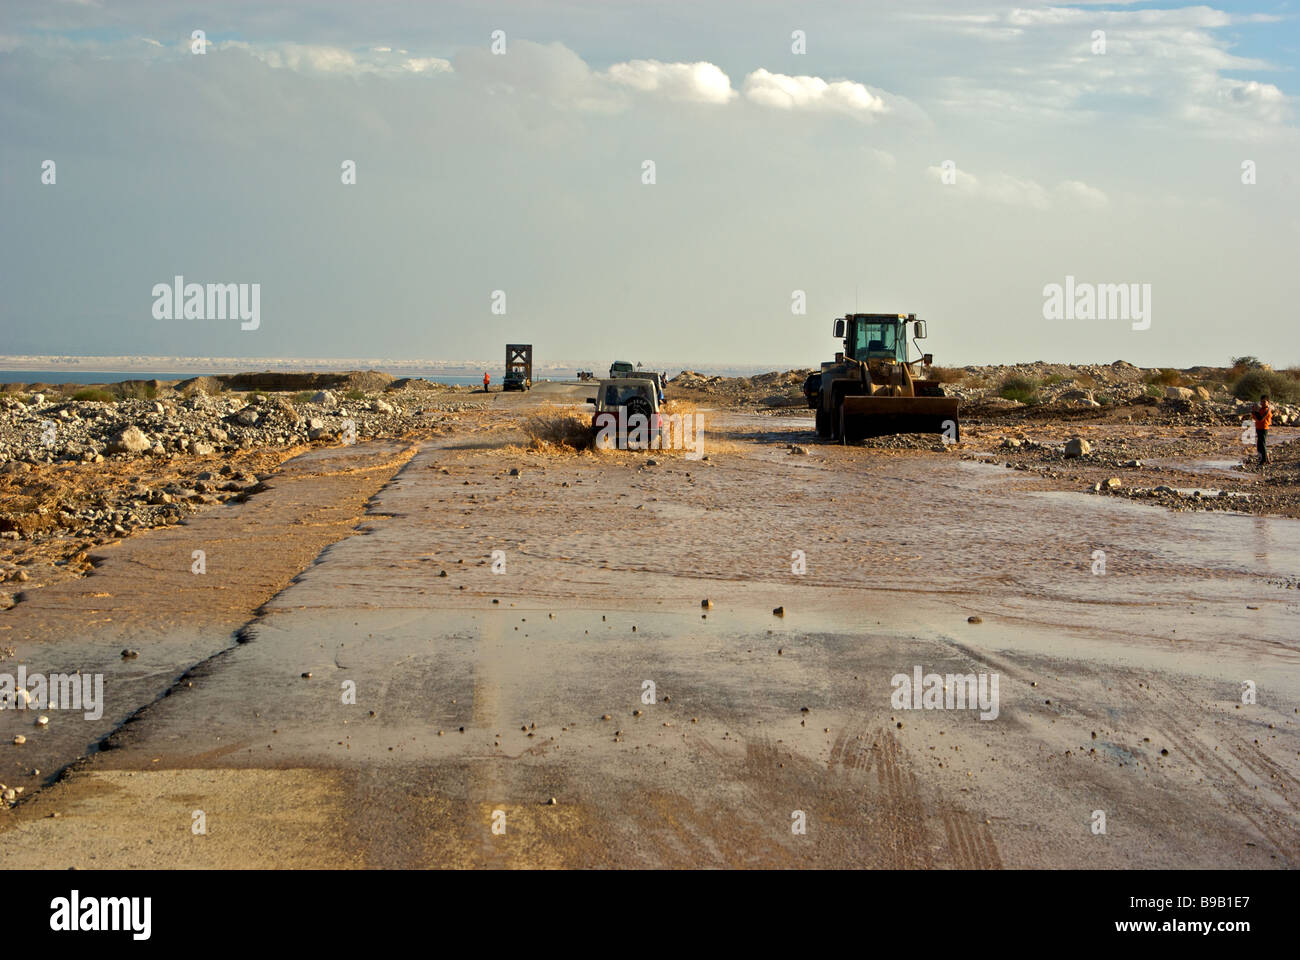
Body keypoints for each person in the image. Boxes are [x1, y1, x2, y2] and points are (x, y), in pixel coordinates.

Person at [1252, 394, 1272, 465]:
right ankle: (1264, 458)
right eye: (1261, 402)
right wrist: (1254, 412)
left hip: (1264, 428)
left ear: (1268, 402)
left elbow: (1260, 418)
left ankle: (1264, 460)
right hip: (1258, 428)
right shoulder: (1261, 409)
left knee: (1262, 444)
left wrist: (1255, 412)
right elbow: (1256, 418)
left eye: (1264, 402)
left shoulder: (1267, 410)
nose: (1262, 403)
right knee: (1259, 445)